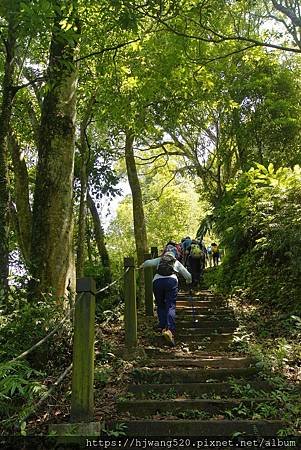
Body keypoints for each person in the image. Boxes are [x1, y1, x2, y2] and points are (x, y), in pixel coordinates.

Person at [143, 252, 192, 346]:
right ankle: (170, 329)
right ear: (173, 256)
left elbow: (148, 263)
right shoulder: (176, 262)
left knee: (160, 304)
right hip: (171, 281)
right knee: (170, 305)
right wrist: (188, 281)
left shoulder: (159, 260)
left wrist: (141, 266)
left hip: (157, 282)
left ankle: (162, 325)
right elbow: (188, 275)